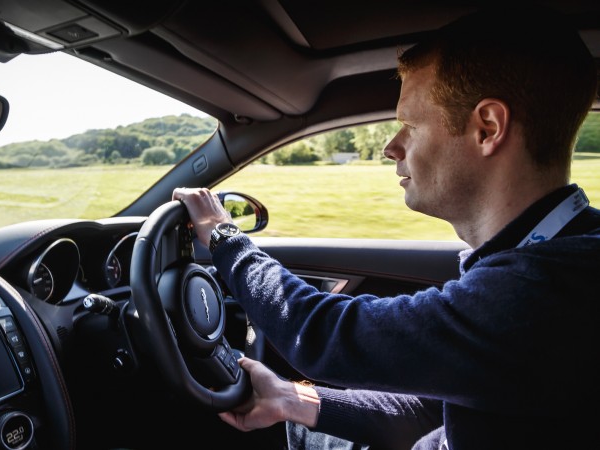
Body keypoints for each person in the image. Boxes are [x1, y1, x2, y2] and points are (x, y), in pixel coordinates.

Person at [173, 7, 600, 450]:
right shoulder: (559, 256)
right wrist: (293, 399)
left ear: (487, 128)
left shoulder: (542, 290)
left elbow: (322, 335)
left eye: (410, 126)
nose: (389, 148)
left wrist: (223, 236)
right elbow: (443, 405)